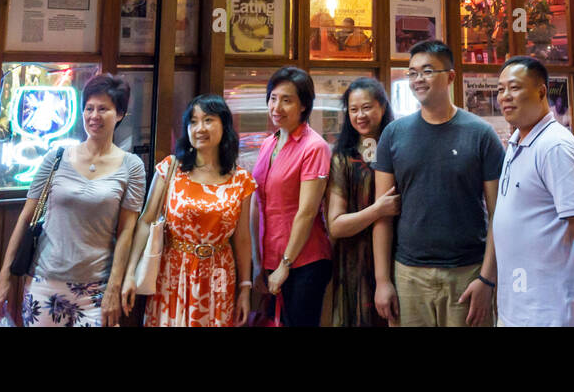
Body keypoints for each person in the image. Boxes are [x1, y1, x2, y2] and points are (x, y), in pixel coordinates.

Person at [0, 72, 145, 327]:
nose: (94, 116)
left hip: (97, 290)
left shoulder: (132, 166)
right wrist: (4, 278)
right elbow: (26, 218)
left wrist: (114, 287)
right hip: (44, 282)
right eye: (89, 108)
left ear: (119, 114)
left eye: (103, 109)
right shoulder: (57, 157)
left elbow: (127, 231)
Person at [372, 39, 504, 327]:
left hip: (467, 273)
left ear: (451, 77)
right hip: (409, 274)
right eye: (412, 72)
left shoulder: (481, 134)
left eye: (428, 71)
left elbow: (499, 214)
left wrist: (487, 279)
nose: (418, 79)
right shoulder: (394, 135)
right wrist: (383, 281)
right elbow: (382, 213)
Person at [492, 56, 574, 327]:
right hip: (520, 303)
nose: (505, 97)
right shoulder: (515, 142)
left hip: (553, 307)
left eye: (514, 88)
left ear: (541, 92)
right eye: (500, 90)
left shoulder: (555, 146)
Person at [122, 94, 255, 327]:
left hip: (219, 274)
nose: (199, 128)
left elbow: (243, 239)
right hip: (173, 271)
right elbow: (146, 221)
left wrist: (245, 288)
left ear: (225, 125)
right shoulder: (171, 168)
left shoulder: (241, 180)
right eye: (193, 122)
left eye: (208, 120)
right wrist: (130, 272)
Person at [250, 66, 333, 326]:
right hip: (271, 256)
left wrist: (285, 264)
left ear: (304, 105)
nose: (277, 107)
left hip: (304, 261)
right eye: (273, 98)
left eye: (287, 100)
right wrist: (258, 261)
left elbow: (307, 212)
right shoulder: (269, 142)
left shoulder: (314, 147)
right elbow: (258, 202)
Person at [327, 78, 400, 327]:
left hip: (399, 256)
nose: (360, 115)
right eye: (353, 109)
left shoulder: (400, 148)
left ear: (382, 106)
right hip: (354, 261)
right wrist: (377, 210)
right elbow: (336, 225)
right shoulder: (343, 158)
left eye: (367, 107)